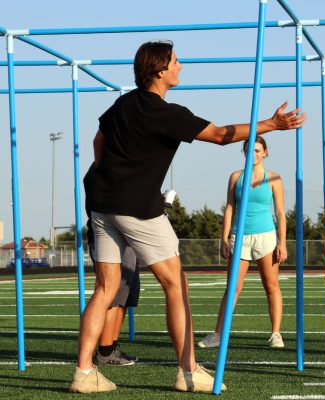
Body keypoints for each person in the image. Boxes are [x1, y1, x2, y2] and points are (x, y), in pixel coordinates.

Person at [69, 40, 305, 394]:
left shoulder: (122, 104)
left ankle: (84, 373)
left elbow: (99, 140)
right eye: (176, 62)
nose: (181, 66)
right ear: (161, 70)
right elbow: (220, 136)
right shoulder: (167, 113)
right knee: (176, 285)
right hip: (138, 210)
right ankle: (188, 370)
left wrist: (109, 175)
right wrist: (271, 124)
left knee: (105, 288)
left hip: (102, 205)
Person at [198, 136, 287, 349]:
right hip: (239, 237)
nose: (253, 154)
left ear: (265, 152)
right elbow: (230, 207)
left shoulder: (274, 178)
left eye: (257, 150)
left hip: (265, 236)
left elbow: (281, 212)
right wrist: (224, 237)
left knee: (271, 285)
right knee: (233, 288)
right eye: (249, 150)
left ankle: (276, 333)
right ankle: (218, 334)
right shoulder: (236, 177)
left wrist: (282, 243)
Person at [87, 218, 140, 367]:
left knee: (126, 295)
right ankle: (105, 352)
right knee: (113, 295)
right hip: (110, 236)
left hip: (129, 236)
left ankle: (111, 347)